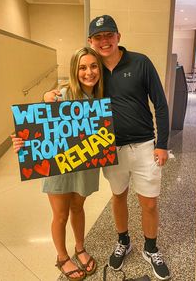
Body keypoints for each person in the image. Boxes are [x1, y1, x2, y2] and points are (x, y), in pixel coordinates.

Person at [44, 15, 171, 280]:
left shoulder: (140, 62)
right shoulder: (94, 72)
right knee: (118, 197)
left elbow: (160, 104)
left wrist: (162, 144)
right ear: (91, 41)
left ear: (118, 37)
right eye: (98, 37)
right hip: (110, 151)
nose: (104, 41)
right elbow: (61, 103)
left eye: (109, 35)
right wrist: (48, 96)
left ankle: (151, 248)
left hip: (145, 146)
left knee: (148, 203)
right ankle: (123, 241)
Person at [11, 47, 104, 281]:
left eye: (94, 66)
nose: (89, 72)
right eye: (82, 67)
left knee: (78, 208)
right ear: (74, 70)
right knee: (60, 215)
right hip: (59, 167)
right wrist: (23, 142)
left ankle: (80, 248)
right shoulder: (62, 95)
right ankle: (62, 257)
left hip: (85, 163)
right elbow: (36, 125)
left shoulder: (101, 98)